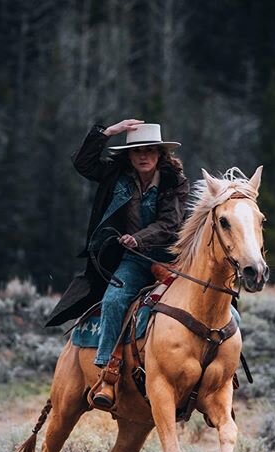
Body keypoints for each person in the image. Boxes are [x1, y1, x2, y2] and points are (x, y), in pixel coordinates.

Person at [45, 119, 189, 408]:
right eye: (137, 151)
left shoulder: (175, 182)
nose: (144, 156)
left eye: (150, 150)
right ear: (129, 155)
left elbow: (170, 224)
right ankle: (106, 373)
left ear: (160, 154)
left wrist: (138, 237)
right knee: (113, 300)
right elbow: (83, 164)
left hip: (174, 258)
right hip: (134, 261)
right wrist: (107, 133)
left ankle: (223, 374)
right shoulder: (116, 175)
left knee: (215, 298)